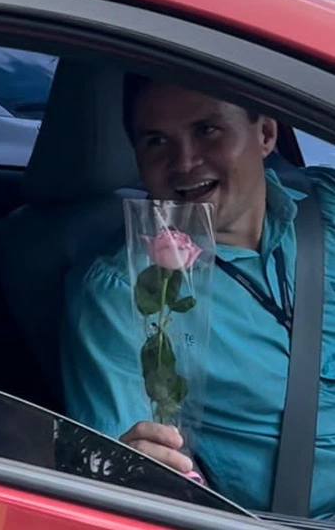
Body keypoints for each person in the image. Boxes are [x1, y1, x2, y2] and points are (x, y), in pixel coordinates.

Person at [61, 75, 335, 520]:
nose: (184, 162)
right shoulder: (129, 291)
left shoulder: (326, 203)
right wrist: (131, 467)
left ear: (265, 134)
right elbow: (128, 469)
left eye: (206, 130)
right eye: (156, 142)